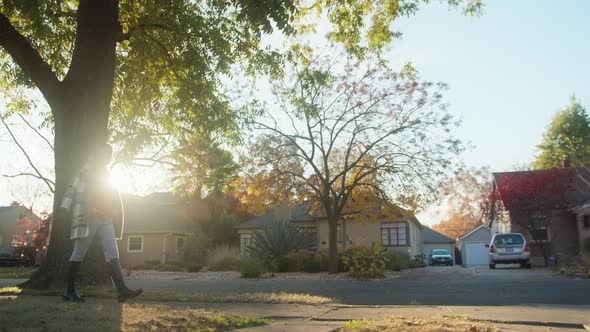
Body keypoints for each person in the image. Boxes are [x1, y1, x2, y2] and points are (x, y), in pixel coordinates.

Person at [60, 143, 142, 302]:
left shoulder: (106, 172)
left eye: (110, 154)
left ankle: (122, 290)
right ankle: (69, 290)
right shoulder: (87, 169)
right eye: (106, 154)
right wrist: (64, 207)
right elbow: (72, 188)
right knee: (79, 253)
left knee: (113, 252)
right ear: (99, 154)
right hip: (89, 216)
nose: (109, 157)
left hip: (106, 217)